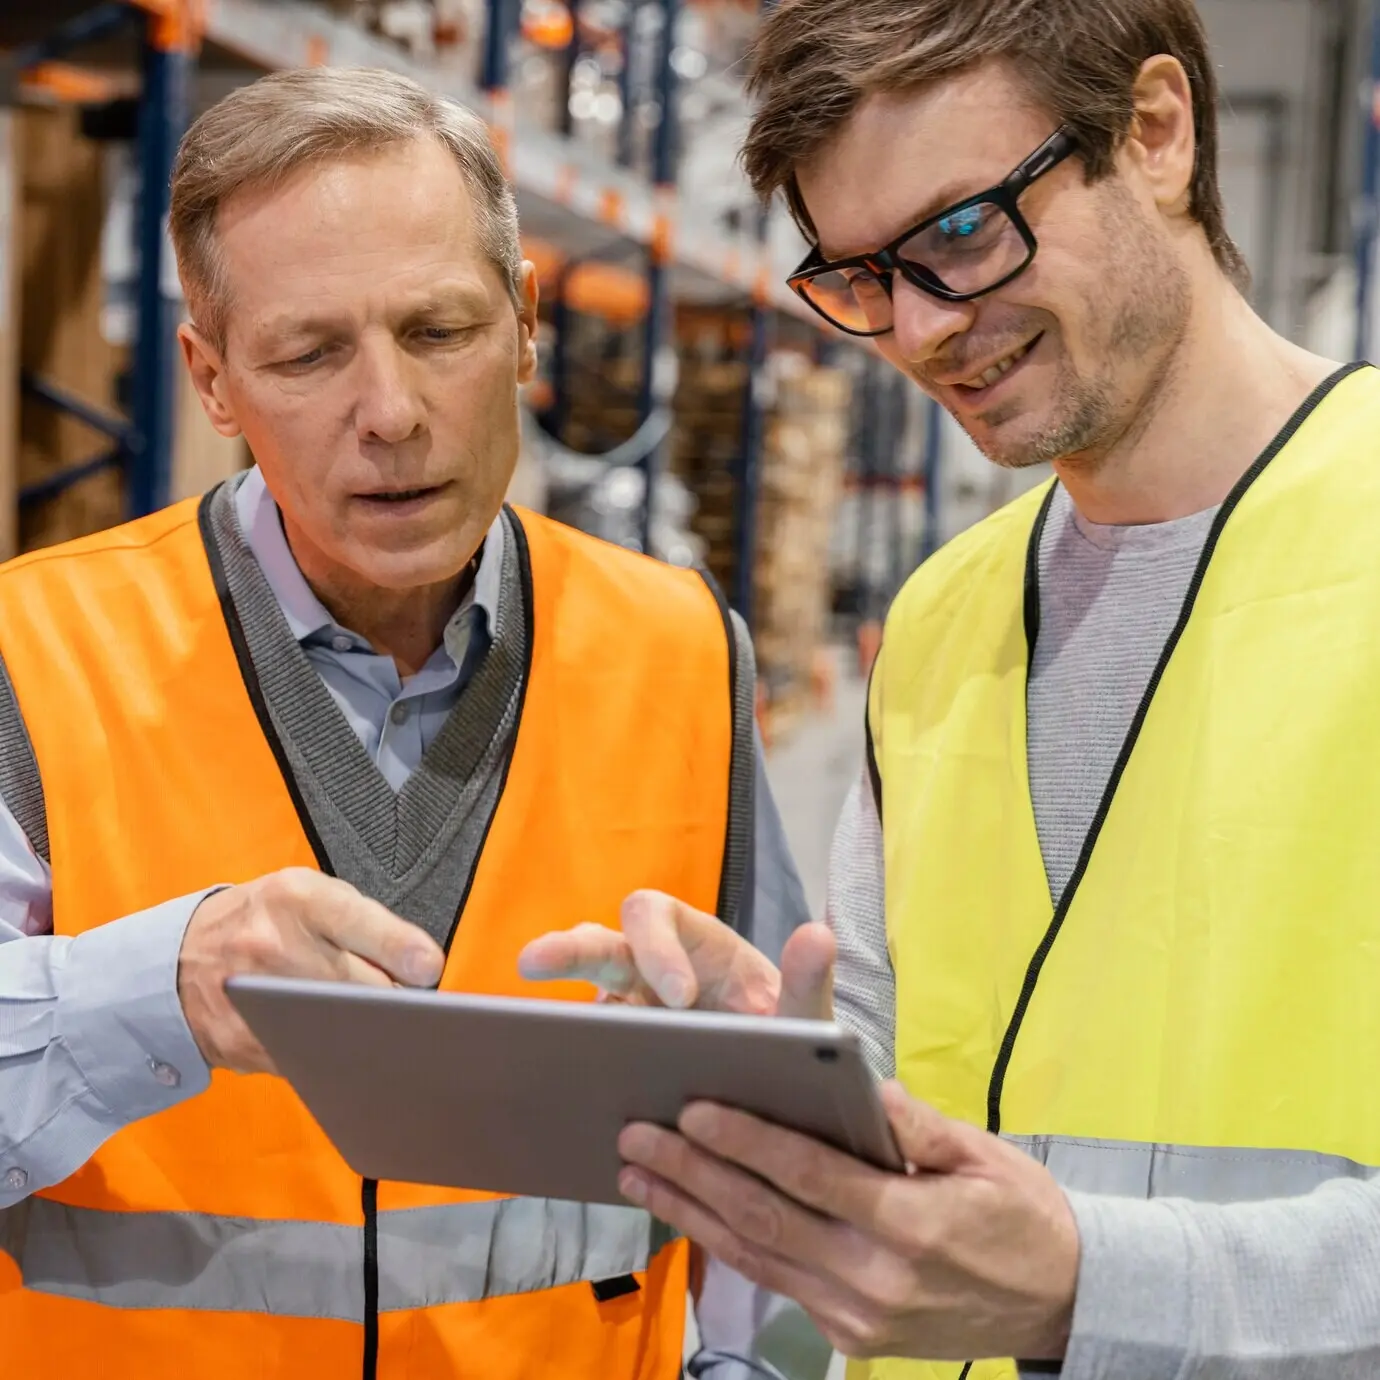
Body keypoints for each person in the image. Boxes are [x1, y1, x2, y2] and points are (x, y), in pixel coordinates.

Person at [521, 0, 1380, 1376]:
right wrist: (775, 1058)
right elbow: (919, 1055)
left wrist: (1089, 1288)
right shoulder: (947, 619)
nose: (921, 330)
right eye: (864, 277)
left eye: (964, 233)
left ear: (1155, 134)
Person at [0, 66, 810, 1378]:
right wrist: (161, 987)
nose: (391, 413)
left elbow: (750, 1138)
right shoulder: (32, 657)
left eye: (437, 331)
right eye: (309, 354)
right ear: (210, 380)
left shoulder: (679, 647)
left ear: (526, 321)